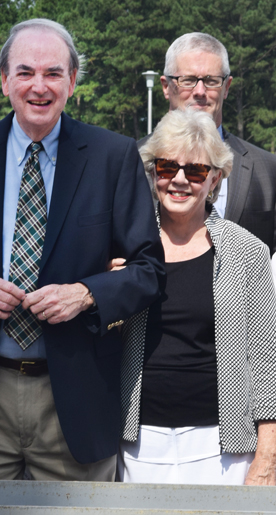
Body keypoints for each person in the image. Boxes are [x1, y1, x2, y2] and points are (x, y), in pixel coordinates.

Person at [0, 18, 164, 481]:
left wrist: (87, 294)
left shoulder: (112, 156)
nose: (39, 86)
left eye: (53, 73)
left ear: (72, 82)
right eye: (25, 72)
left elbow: (150, 269)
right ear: (5, 80)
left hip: (74, 397)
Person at [119, 108, 276, 485]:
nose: (179, 181)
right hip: (138, 444)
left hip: (223, 450)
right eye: (167, 167)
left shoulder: (247, 252)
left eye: (195, 171)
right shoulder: (127, 248)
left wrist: (268, 458)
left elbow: (266, 362)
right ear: (152, 171)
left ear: (216, 179)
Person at [141, 32, 276, 253]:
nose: (200, 91)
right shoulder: (128, 161)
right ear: (165, 86)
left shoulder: (269, 170)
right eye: (188, 80)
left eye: (211, 81)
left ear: (227, 87)